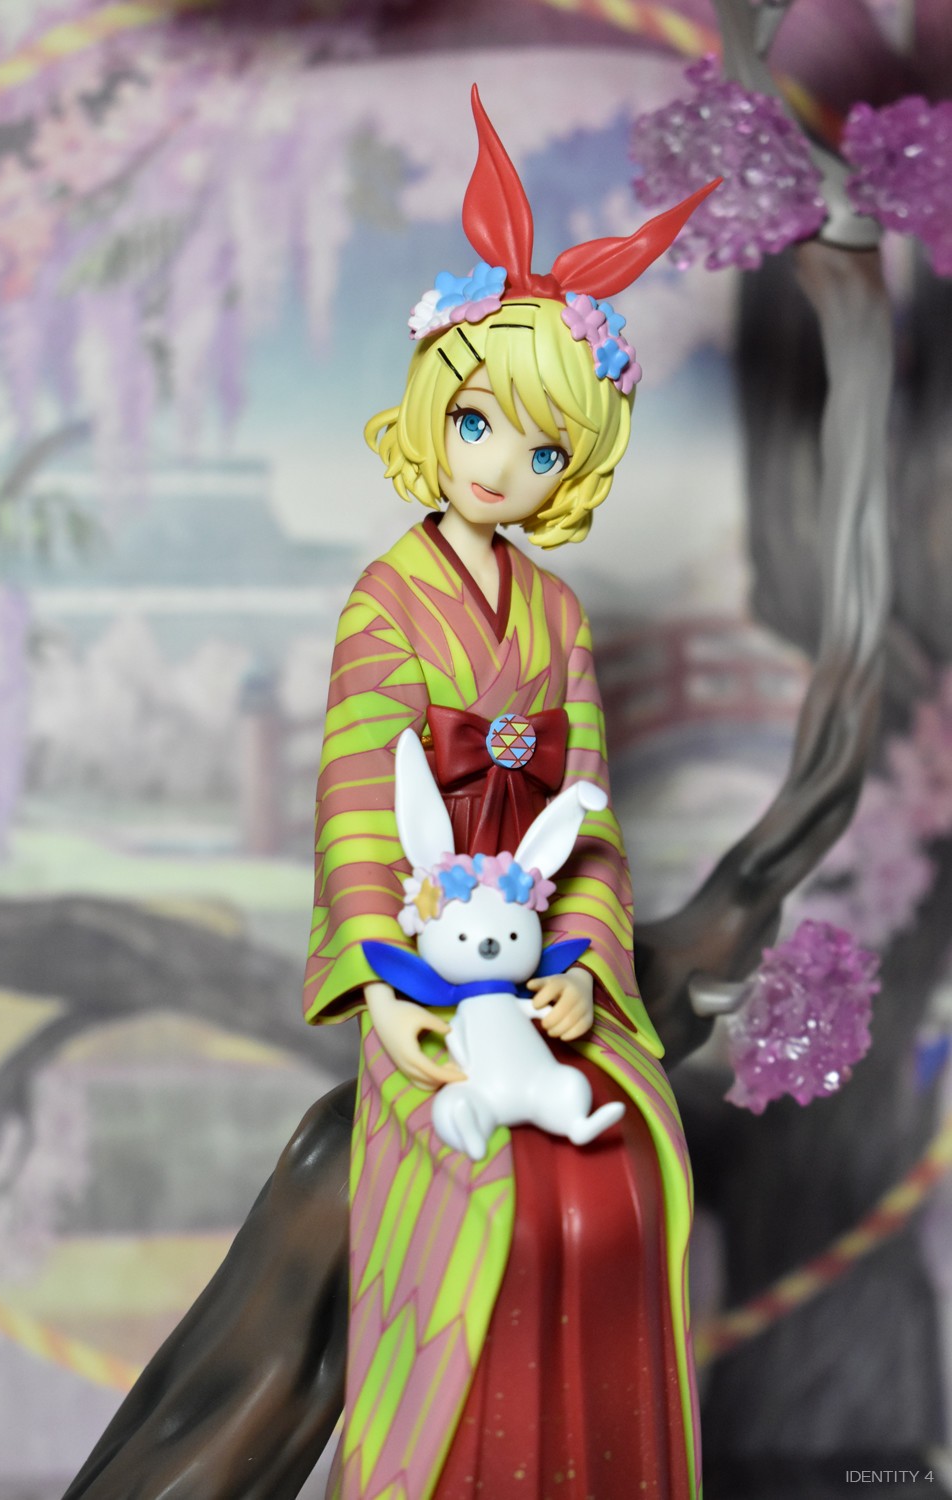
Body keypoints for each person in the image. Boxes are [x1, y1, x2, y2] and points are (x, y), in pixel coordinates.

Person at [304, 86, 717, 1500]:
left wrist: (587, 973)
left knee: (628, 1181)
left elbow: (586, 819)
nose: (500, 468)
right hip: (427, 963)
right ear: (438, 404)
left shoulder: (559, 617)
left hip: (536, 964)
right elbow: (358, 809)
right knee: (498, 1208)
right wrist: (392, 993)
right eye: (479, 423)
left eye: (543, 451)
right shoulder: (386, 601)